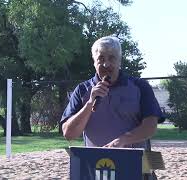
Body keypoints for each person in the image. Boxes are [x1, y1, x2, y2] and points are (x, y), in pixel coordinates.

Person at [60, 36, 162, 179]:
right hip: (98, 167)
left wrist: (122, 140)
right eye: (101, 58)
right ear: (94, 62)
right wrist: (89, 104)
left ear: (120, 60)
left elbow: (150, 127)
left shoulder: (140, 86)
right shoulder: (82, 90)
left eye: (112, 58)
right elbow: (69, 134)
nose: (106, 64)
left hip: (138, 165)